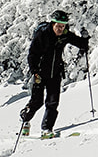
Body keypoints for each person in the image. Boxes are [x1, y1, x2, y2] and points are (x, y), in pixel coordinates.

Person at [21, 10, 88, 139]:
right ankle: (25, 119)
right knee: (37, 101)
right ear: (53, 24)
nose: (60, 28)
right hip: (40, 73)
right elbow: (32, 54)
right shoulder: (43, 34)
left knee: (53, 102)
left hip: (55, 73)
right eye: (58, 26)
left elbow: (80, 44)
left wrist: (85, 39)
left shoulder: (65, 35)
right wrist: (34, 70)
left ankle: (47, 128)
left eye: (63, 26)